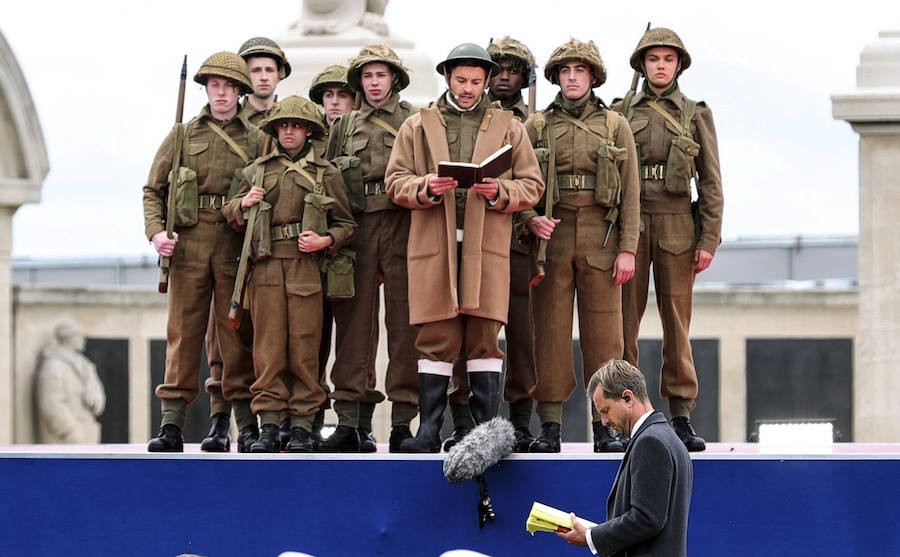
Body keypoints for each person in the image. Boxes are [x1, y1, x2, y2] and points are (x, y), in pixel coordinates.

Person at [385, 42, 544, 453]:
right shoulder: (417, 126)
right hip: (435, 247)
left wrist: (499, 191)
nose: (469, 88)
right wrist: (425, 187)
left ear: (487, 80)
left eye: (476, 81)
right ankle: (429, 431)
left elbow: (532, 184)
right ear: (447, 77)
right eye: (461, 80)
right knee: (435, 337)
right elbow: (395, 181)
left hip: (485, 248)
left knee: (485, 336)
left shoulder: (510, 126)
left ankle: (485, 432)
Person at [522, 39, 639, 453]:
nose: (572, 78)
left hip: (601, 238)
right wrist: (528, 220)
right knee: (549, 335)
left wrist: (628, 248)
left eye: (580, 70)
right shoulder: (536, 125)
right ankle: (550, 426)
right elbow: (521, 183)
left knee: (607, 341)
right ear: (557, 77)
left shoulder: (614, 124)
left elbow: (631, 193)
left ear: (592, 77)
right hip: (552, 240)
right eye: (566, 71)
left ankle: (605, 426)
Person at [222, 96, 356, 452]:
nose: (289, 132)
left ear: (310, 131)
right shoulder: (257, 171)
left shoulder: (327, 174)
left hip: (305, 267)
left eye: (296, 126)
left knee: (305, 349)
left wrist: (326, 239)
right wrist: (244, 203)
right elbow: (231, 214)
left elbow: (346, 223)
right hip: (265, 266)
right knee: (267, 351)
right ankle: (268, 424)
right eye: (283, 126)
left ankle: (301, 426)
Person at [613, 28, 723, 452]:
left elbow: (711, 183)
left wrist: (709, 238)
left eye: (668, 58)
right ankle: (626, 414)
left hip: (679, 223)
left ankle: (680, 414)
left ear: (679, 65)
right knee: (625, 323)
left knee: (677, 323)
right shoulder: (620, 110)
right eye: (653, 58)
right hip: (631, 225)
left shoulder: (696, 113)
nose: (660, 65)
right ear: (641, 64)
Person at [143, 51, 260, 452]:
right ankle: (171, 423)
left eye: (229, 86)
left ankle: (244, 424)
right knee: (183, 336)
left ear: (241, 91)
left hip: (232, 244)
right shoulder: (182, 135)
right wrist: (157, 234)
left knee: (234, 336)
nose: (221, 93)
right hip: (188, 243)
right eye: (215, 85)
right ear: (206, 89)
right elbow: (153, 190)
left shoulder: (257, 138)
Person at [442, 36, 540, 452]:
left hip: (518, 243)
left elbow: (536, 184)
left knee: (519, 336)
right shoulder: (445, 120)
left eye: (512, 71)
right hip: (468, 238)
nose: (502, 78)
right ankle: (462, 420)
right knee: (457, 331)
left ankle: (518, 421)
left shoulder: (527, 124)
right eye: (495, 70)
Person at [325, 44, 418, 452]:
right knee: (354, 328)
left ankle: (402, 422)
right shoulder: (344, 126)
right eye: (367, 76)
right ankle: (351, 421)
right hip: (357, 229)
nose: (374, 83)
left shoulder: (415, 120)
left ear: (394, 78)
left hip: (403, 226)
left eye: (381, 75)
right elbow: (327, 180)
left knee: (405, 328)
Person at [199, 37, 290, 454]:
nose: (262, 78)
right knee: (224, 341)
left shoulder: (288, 123)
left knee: (271, 338)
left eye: (269, 70)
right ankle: (226, 421)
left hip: (267, 246)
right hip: (225, 239)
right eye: (254, 71)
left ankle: (277, 422)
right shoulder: (224, 123)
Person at [557, 359, 692, 556]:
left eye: (605, 411)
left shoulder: (650, 442)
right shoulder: (667, 438)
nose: (603, 421)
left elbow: (647, 518)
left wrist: (590, 537)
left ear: (628, 398)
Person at [35, 321, 106, 444]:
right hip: (67, 437)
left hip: (88, 432)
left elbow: (98, 391)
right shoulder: (53, 366)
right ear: (68, 338)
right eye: (79, 336)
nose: (83, 340)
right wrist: (71, 429)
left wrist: (93, 400)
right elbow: (50, 403)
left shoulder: (86, 365)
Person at [237, 36, 291, 124]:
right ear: (244, 76)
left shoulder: (291, 121)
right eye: (256, 70)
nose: (264, 77)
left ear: (279, 75)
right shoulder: (229, 120)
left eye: (269, 70)